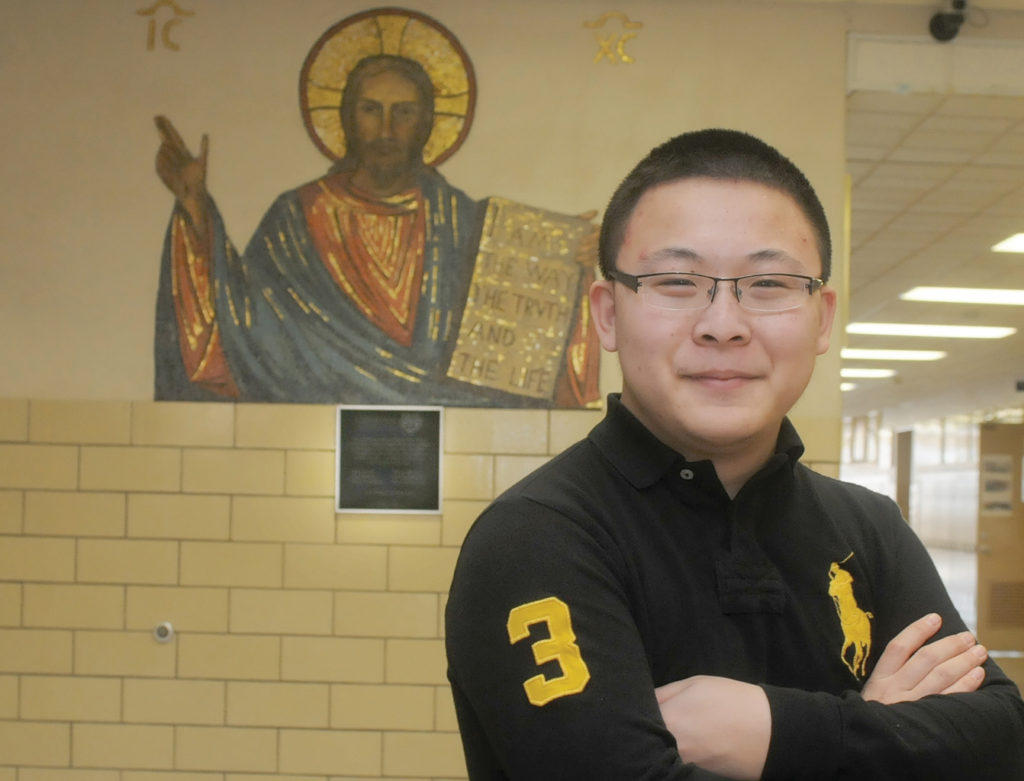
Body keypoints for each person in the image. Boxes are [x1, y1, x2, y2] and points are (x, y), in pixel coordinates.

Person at [445, 128, 1024, 779]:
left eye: (770, 282)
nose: (723, 322)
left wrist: (777, 730)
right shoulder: (538, 540)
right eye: (675, 280)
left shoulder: (869, 530)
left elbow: (1003, 741)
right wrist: (884, 727)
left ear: (823, 318)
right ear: (606, 314)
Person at [153, 54, 599, 406]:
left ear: (425, 125)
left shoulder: (467, 225)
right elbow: (241, 319)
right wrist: (194, 205)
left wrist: (569, 262)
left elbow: (518, 344)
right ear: (349, 118)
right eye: (371, 110)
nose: (386, 129)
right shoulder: (295, 218)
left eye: (403, 112)